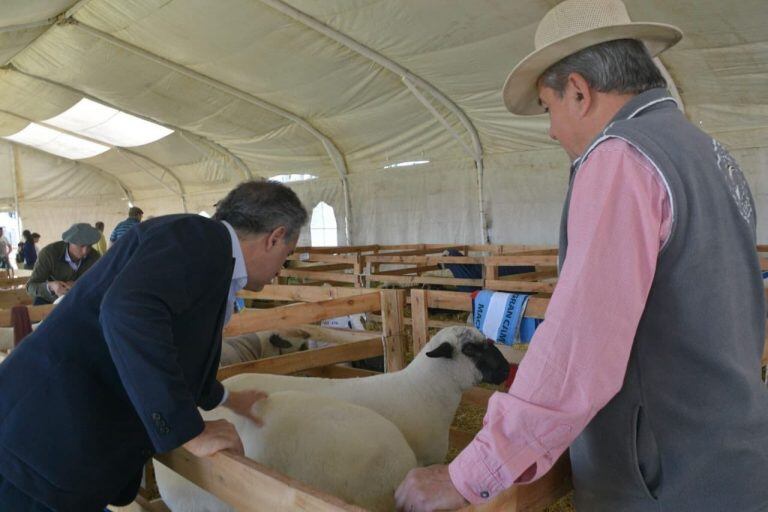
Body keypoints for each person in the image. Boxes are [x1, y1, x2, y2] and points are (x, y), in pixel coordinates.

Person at [395, 1, 767, 511]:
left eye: (549, 108)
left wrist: (472, 474)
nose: (551, 131)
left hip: (659, 477)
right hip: (734, 459)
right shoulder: (709, 154)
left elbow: (580, 346)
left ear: (579, 90)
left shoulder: (620, 159)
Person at [0, 180, 308, 511]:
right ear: (274, 237)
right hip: (43, 447)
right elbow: (127, 312)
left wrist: (226, 398)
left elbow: (171, 342)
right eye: (286, 256)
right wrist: (190, 433)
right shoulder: (200, 239)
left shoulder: (206, 250)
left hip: (52, 442)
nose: (280, 271)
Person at [25, 223, 102, 305]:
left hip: (80, 303)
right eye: (81, 246)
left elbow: (100, 284)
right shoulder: (49, 254)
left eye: (89, 246)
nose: (85, 251)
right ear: (70, 242)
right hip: (51, 303)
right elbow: (30, 286)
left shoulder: (95, 257)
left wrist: (80, 285)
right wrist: (50, 286)